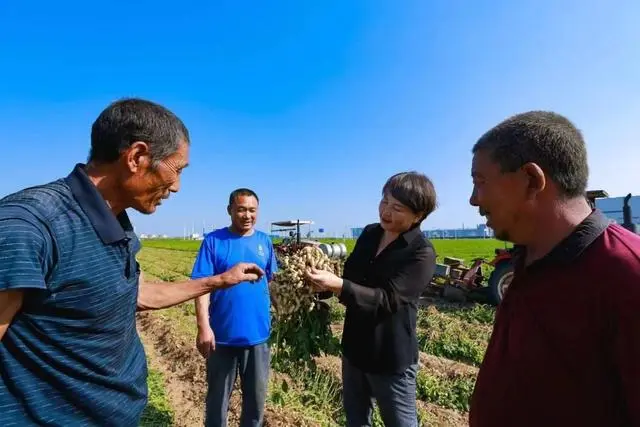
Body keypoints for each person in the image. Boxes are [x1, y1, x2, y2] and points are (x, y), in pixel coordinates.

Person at [0, 99, 264, 426]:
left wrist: (219, 280)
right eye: (177, 169)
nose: (177, 186)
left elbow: (135, 293)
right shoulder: (29, 226)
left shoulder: (117, 224)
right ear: (137, 157)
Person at [468, 111, 640, 427]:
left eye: (480, 183)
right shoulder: (529, 252)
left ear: (532, 181)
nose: (473, 200)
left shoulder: (628, 275)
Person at [305, 171, 437, 427]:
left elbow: (389, 300)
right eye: (384, 202)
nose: (386, 211)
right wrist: (316, 285)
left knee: (401, 423)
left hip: (389, 356)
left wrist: (339, 285)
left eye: (397, 208)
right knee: (356, 420)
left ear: (418, 215)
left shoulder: (421, 252)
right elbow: (350, 277)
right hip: (355, 348)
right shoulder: (370, 234)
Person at [191, 188, 278, 427]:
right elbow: (201, 287)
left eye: (252, 210)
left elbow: (271, 283)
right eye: (241, 209)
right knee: (217, 402)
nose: (247, 215)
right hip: (222, 338)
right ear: (230, 210)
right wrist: (203, 327)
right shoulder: (213, 242)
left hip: (258, 338)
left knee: (256, 403)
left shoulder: (264, 241)